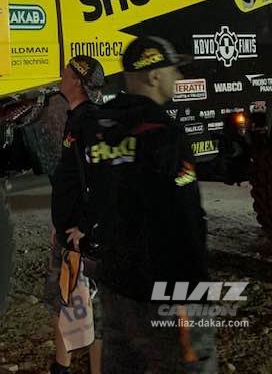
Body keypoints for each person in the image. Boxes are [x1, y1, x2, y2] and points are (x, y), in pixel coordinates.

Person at [86, 36, 217, 374]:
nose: (179, 77)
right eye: (174, 70)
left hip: (115, 286)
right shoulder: (163, 132)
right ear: (154, 74)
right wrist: (196, 291)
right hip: (166, 291)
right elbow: (184, 219)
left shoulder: (98, 128)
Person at [44, 56, 105, 374]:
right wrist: (60, 224)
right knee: (67, 303)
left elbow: (101, 179)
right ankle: (62, 368)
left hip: (81, 238)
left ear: (78, 82)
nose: (61, 76)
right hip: (69, 232)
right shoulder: (76, 117)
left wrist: (84, 226)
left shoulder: (89, 122)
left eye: (66, 73)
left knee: (86, 308)